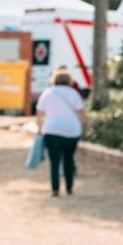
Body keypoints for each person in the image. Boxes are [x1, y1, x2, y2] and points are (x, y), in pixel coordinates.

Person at [36, 69, 87, 197]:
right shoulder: (74, 93)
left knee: (54, 161)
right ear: (69, 80)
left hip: (52, 130)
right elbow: (81, 112)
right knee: (68, 159)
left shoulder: (47, 93)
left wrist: (39, 129)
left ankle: (55, 189)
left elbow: (39, 113)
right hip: (71, 131)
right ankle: (69, 188)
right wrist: (86, 125)